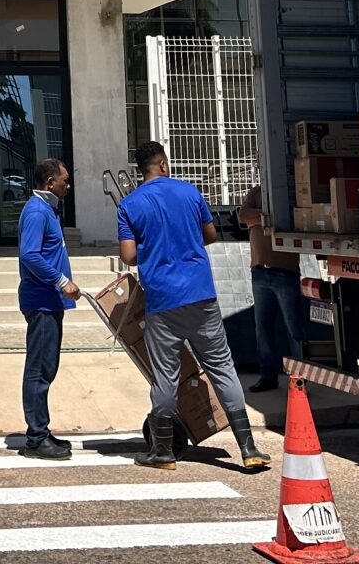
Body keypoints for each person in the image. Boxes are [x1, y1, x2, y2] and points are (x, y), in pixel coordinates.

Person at [117, 142, 270, 472]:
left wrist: (155, 249)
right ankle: (248, 448)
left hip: (162, 300)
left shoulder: (129, 205)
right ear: (163, 164)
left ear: (141, 170)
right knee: (221, 366)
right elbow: (210, 235)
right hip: (201, 294)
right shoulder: (190, 193)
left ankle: (163, 453)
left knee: (165, 376)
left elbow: (128, 256)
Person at [16, 158, 82, 460]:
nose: (67, 185)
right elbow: (30, 255)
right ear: (50, 182)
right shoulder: (37, 211)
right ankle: (36, 438)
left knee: (47, 367)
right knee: (39, 369)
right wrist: (61, 281)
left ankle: (41, 430)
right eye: (64, 180)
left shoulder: (49, 210)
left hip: (51, 301)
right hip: (41, 300)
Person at [237, 183, 308, 392]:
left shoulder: (287, 191)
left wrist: (258, 219)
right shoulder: (256, 192)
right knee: (263, 328)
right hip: (259, 270)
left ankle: (299, 378)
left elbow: (285, 217)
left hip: (285, 271)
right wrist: (266, 217)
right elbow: (243, 215)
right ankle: (268, 376)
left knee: (294, 329)